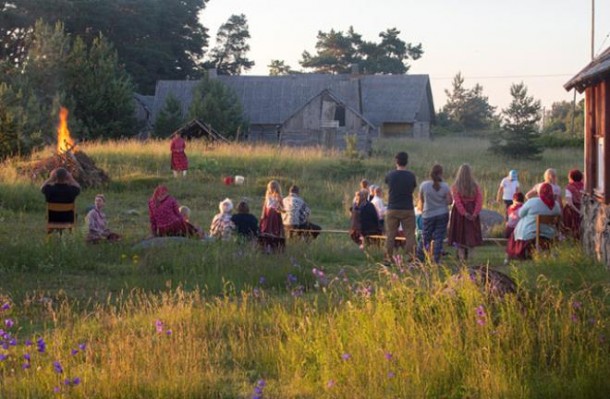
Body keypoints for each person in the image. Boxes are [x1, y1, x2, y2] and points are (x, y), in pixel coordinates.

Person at [506, 183, 561, 260]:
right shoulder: (556, 205)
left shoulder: (532, 202)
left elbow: (520, 214)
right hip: (549, 234)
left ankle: (512, 255)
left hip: (530, 234)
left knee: (521, 223)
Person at [384, 151, 417, 262]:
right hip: (407, 208)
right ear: (406, 162)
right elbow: (412, 189)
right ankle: (410, 257)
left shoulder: (390, 175)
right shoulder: (411, 176)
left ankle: (388, 258)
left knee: (390, 234)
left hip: (392, 207)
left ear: (396, 161)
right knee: (410, 235)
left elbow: (387, 184)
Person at [416, 164, 453, 263]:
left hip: (428, 214)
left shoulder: (424, 185)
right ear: (441, 174)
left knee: (425, 237)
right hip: (442, 213)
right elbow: (450, 201)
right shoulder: (445, 186)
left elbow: (421, 200)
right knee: (439, 237)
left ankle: (420, 258)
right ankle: (436, 259)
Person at [447, 164, 483, 262]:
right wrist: (475, 213)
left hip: (459, 214)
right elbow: (479, 200)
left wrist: (464, 213)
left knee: (459, 235)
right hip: (472, 209)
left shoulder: (455, 186)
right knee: (471, 234)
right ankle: (471, 258)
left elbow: (457, 201)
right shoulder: (475, 186)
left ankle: (462, 258)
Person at [259, 180, 285, 251]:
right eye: (270, 188)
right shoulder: (267, 195)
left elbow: (282, 208)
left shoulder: (278, 196)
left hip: (275, 215)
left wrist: (279, 208)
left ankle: (274, 244)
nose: (271, 189)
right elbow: (265, 206)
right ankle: (265, 244)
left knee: (274, 230)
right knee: (265, 229)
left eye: (273, 188)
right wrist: (263, 215)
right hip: (268, 215)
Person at [562, 169, 584, 239]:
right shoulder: (585, 186)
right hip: (583, 207)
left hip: (573, 210)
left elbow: (570, 203)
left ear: (571, 178)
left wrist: (578, 211)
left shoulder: (569, 187)